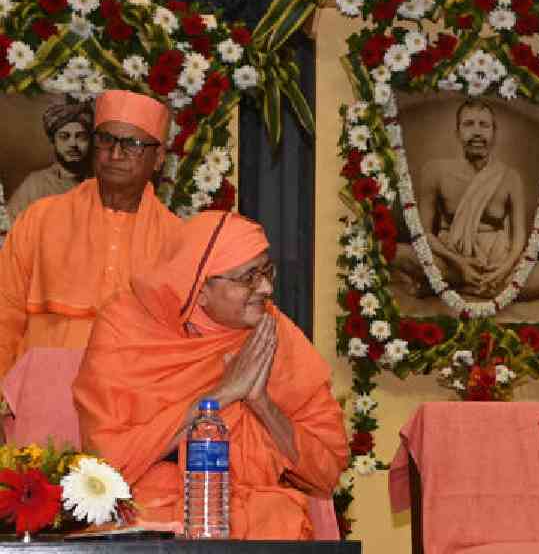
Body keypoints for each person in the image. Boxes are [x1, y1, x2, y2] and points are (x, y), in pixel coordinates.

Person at [73, 212, 349, 539]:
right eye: (249, 277)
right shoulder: (126, 329)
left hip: (252, 509)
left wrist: (262, 404)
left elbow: (326, 471)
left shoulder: (273, 334)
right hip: (148, 504)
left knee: (277, 518)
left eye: (266, 271)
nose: (266, 287)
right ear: (199, 287)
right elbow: (107, 463)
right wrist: (223, 394)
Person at [0, 90, 182, 448]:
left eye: (131, 144)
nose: (115, 153)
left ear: (158, 158)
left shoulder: (177, 239)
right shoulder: (42, 217)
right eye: (106, 140)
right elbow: (5, 308)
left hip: (134, 414)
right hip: (40, 403)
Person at [394, 99, 539, 301]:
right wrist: (459, 264)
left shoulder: (510, 177)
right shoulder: (435, 171)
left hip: (494, 262)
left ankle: (449, 284)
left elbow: (519, 241)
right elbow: (424, 234)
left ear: (493, 133)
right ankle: (469, 284)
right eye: (469, 124)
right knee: (397, 253)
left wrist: (503, 269)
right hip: (449, 258)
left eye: (484, 125)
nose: (477, 132)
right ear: (458, 132)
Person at [6, 102, 93, 222]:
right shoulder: (35, 184)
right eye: (64, 137)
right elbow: (11, 229)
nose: (73, 144)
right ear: (54, 141)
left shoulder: (104, 180)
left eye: (81, 136)